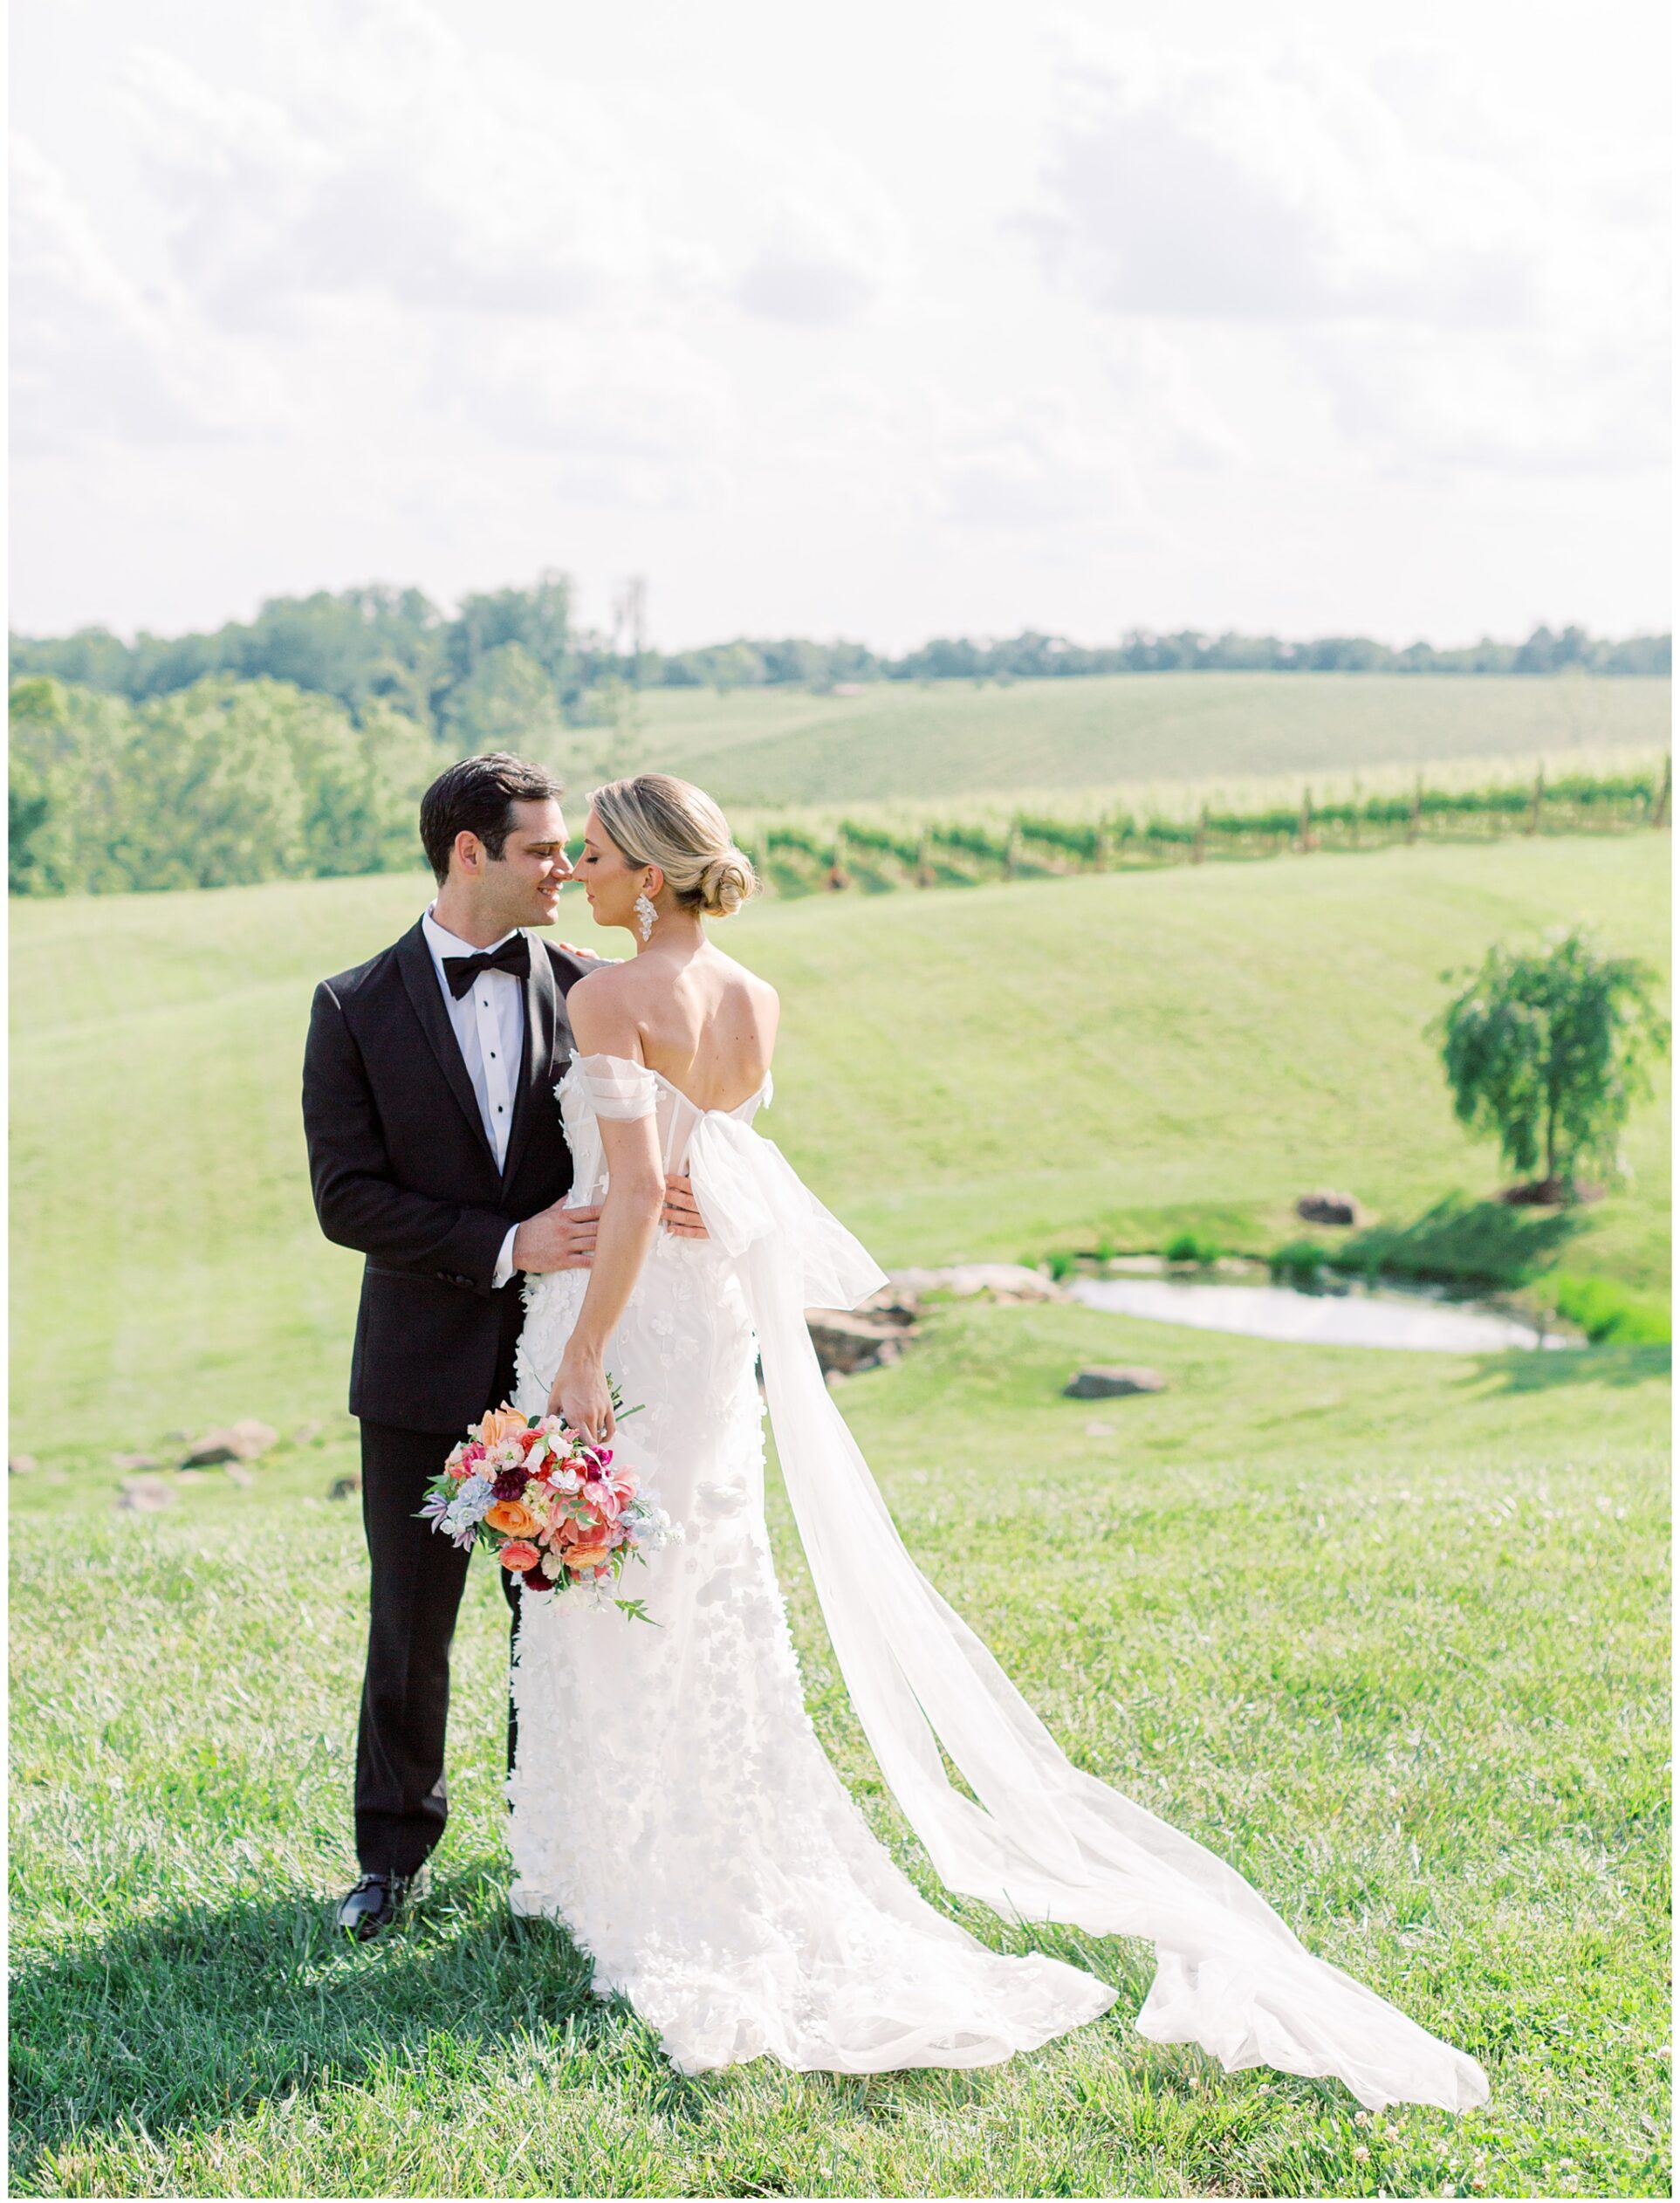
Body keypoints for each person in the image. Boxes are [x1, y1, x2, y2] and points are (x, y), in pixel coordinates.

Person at [504, 772, 1491, 2108]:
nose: (584, 880)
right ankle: (666, 1842)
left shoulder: (608, 997)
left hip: (632, 1327)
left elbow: (631, 1203)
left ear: (654, 873)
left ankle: (623, 1871)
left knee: (630, 1578)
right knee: (705, 1580)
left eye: (604, 858)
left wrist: (575, 1355)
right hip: (714, 1329)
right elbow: (714, 1166)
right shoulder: (753, 999)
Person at [300, 754, 706, 1940]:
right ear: (465, 853)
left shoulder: (595, 986)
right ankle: (391, 1860)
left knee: (562, 1618)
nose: (564, 869)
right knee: (409, 1622)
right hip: (419, 1360)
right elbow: (346, 1202)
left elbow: (677, 1144)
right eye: (539, 850)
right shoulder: (350, 1007)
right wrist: (506, 1241)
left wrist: (693, 1195)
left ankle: (550, 1843)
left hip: (560, 1360)